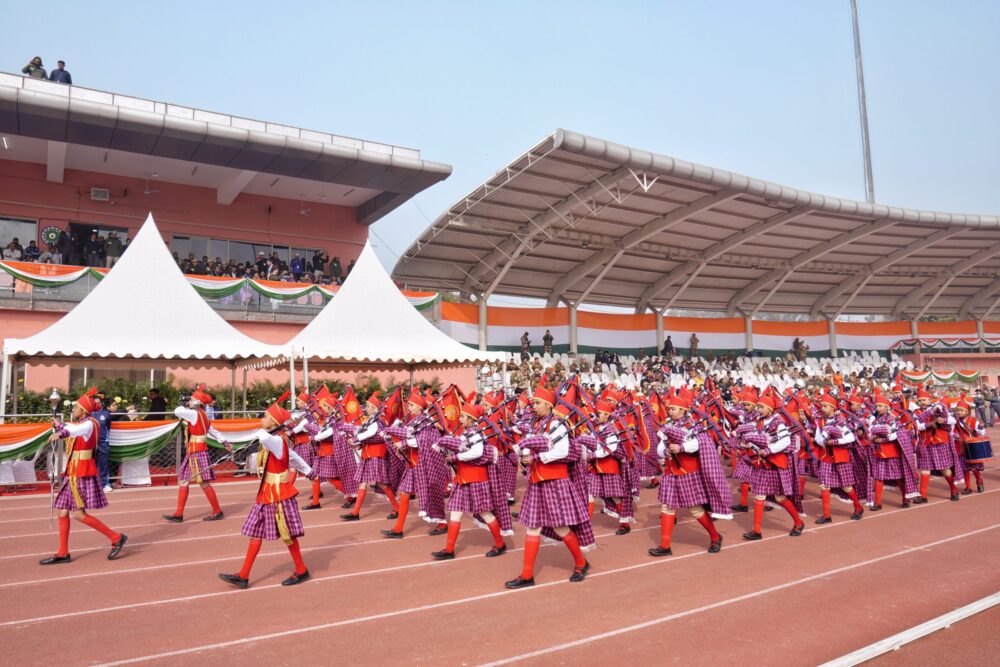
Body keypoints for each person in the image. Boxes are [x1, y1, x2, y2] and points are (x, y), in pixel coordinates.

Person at [219, 399, 317, 589]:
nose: (261, 419)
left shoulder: (275, 439)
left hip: (279, 493)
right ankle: (244, 575)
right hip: (267, 492)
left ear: (273, 422)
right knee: (256, 531)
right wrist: (309, 471)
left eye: (265, 417)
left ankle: (301, 569)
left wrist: (309, 470)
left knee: (287, 534)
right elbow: (293, 457)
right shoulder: (277, 439)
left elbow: (266, 439)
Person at [504, 386, 593, 588]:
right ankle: (527, 574)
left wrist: (535, 457)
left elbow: (561, 451)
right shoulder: (540, 425)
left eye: (537, 403)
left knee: (560, 527)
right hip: (538, 482)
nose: (533, 406)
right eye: (533, 402)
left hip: (555, 482)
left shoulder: (557, 425)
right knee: (533, 527)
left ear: (548, 405)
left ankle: (581, 562)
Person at [39, 387, 127, 565]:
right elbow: (72, 427)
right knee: (63, 511)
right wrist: (59, 424)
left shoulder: (88, 424)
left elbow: (73, 431)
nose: (73, 410)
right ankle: (63, 552)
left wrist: (60, 432)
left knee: (78, 514)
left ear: (84, 410)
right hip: (74, 471)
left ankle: (115, 537)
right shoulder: (86, 423)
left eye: (76, 407)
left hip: (80, 473)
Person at [648, 389, 730, 557]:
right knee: (667, 507)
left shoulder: (693, 425)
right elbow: (660, 446)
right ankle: (665, 545)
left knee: (695, 508)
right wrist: (665, 452)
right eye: (670, 408)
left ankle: (715, 537)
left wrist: (681, 447)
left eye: (673, 409)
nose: (670, 411)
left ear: (683, 411)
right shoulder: (669, 425)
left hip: (688, 472)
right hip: (671, 471)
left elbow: (700, 444)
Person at [429, 402, 511, 559]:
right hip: (462, 478)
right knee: (455, 512)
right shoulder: (467, 433)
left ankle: (500, 544)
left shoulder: (476, 434)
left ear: (471, 419)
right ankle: (449, 549)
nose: (460, 420)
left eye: (463, 417)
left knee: (485, 513)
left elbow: (477, 452)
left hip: (476, 479)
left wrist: (455, 457)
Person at [162, 386, 232, 522]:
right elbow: (214, 431)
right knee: (184, 481)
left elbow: (177, 411)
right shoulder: (202, 415)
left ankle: (217, 511)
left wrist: (187, 405)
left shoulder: (194, 414)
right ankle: (179, 513)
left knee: (203, 483)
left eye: (192, 399)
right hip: (194, 451)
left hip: (197, 452)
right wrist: (225, 442)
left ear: (196, 402)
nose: (189, 401)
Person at [337, 392, 399, 521]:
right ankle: (355, 512)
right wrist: (348, 429)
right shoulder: (371, 420)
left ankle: (397, 507)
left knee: (382, 483)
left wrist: (354, 439)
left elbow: (368, 433)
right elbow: (361, 429)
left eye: (369, 406)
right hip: (368, 454)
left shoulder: (377, 422)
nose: (366, 408)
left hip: (376, 455)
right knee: (362, 483)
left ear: (375, 408)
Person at [92, 393, 113, 493]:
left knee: (103, 463)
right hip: (91, 443)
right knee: (91, 463)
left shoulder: (106, 413)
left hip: (102, 442)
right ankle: (92, 485)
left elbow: (108, 427)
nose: (97, 405)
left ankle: (105, 484)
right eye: (95, 403)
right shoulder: (88, 413)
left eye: (99, 403)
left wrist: (105, 438)